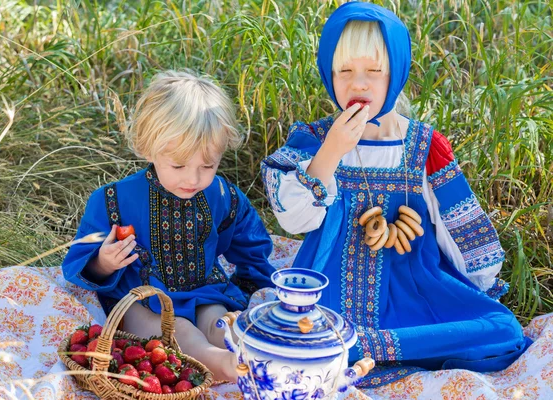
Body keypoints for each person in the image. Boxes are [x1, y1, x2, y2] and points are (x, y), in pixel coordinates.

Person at [261, 1, 531, 388]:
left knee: (501, 328)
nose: (359, 84)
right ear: (328, 73)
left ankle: (359, 346)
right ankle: (353, 343)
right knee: (301, 327)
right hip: (331, 289)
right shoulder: (315, 140)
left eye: (374, 71)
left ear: (396, 73)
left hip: (414, 288)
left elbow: (454, 223)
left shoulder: (423, 145)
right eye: (345, 71)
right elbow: (295, 219)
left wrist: (478, 282)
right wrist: (332, 152)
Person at [63, 70, 275, 382]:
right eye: (178, 165)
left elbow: (251, 244)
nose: (193, 179)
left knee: (221, 323)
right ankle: (224, 367)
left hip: (203, 289)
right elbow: (81, 260)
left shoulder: (222, 195)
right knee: (179, 333)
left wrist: (253, 287)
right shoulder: (114, 200)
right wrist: (103, 262)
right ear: (148, 148)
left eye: (208, 165)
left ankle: (254, 357)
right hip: (142, 300)